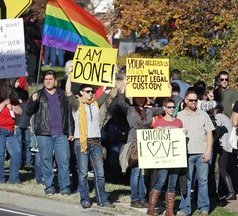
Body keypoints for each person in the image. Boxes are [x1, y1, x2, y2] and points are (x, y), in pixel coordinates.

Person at [65, 74, 114, 209]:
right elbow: (68, 92)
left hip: (96, 143)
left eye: (92, 91)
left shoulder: (96, 103)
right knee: (83, 173)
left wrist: (112, 74)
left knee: (100, 173)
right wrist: (69, 76)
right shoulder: (77, 104)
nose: (90, 93)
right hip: (81, 142)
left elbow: (108, 90)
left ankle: (102, 200)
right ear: (81, 93)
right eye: (87, 91)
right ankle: (85, 199)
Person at [118, 78, 164, 209]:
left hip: (146, 144)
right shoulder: (130, 109)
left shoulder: (149, 110)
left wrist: (167, 91)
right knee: (135, 172)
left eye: (142, 96)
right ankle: (134, 198)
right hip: (133, 144)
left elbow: (163, 108)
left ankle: (143, 198)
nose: (139, 98)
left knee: (144, 173)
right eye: (137, 96)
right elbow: (120, 101)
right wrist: (123, 86)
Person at [27, 70, 74, 195]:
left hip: (61, 133)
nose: (48, 81)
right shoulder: (38, 94)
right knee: (46, 160)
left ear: (55, 81)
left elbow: (69, 114)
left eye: (50, 79)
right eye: (46, 79)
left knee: (64, 160)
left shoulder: (62, 94)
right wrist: (33, 101)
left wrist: (70, 131)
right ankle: (49, 186)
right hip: (44, 133)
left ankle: (65, 187)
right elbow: (29, 111)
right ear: (43, 81)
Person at [176, 88, 215, 216]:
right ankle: (185, 208)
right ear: (186, 100)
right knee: (186, 182)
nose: (193, 102)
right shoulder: (180, 115)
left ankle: (204, 208)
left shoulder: (203, 114)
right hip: (186, 154)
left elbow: (209, 133)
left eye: (195, 100)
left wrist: (208, 150)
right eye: (191, 100)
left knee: (203, 181)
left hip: (202, 153)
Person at [147, 98, 184, 216]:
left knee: (173, 183)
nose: (171, 109)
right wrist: (157, 130)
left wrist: (184, 133)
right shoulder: (159, 122)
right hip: (163, 158)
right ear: (164, 108)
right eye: (169, 107)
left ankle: (169, 210)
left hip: (175, 158)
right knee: (161, 180)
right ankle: (151, 207)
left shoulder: (179, 122)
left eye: (173, 107)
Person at [0, 79, 22, 183]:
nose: (8, 88)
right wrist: (4, 103)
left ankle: (13, 179)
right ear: (0, 86)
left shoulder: (12, 98)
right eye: (5, 86)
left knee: (16, 152)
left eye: (9, 86)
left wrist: (12, 106)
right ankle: (1, 178)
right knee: (0, 154)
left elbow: (20, 111)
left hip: (10, 130)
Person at [212, 103, 236, 200]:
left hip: (225, 145)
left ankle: (231, 192)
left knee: (222, 168)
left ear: (216, 109)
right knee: (229, 168)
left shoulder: (219, 116)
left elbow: (216, 130)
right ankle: (230, 190)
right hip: (230, 146)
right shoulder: (225, 116)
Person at [24, 13, 41, 85]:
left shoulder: (37, 24)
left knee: (38, 63)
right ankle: (31, 79)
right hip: (31, 47)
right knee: (32, 63)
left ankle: (37, 78)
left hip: (38, 46)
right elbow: (28, 36)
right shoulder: (28, 25)